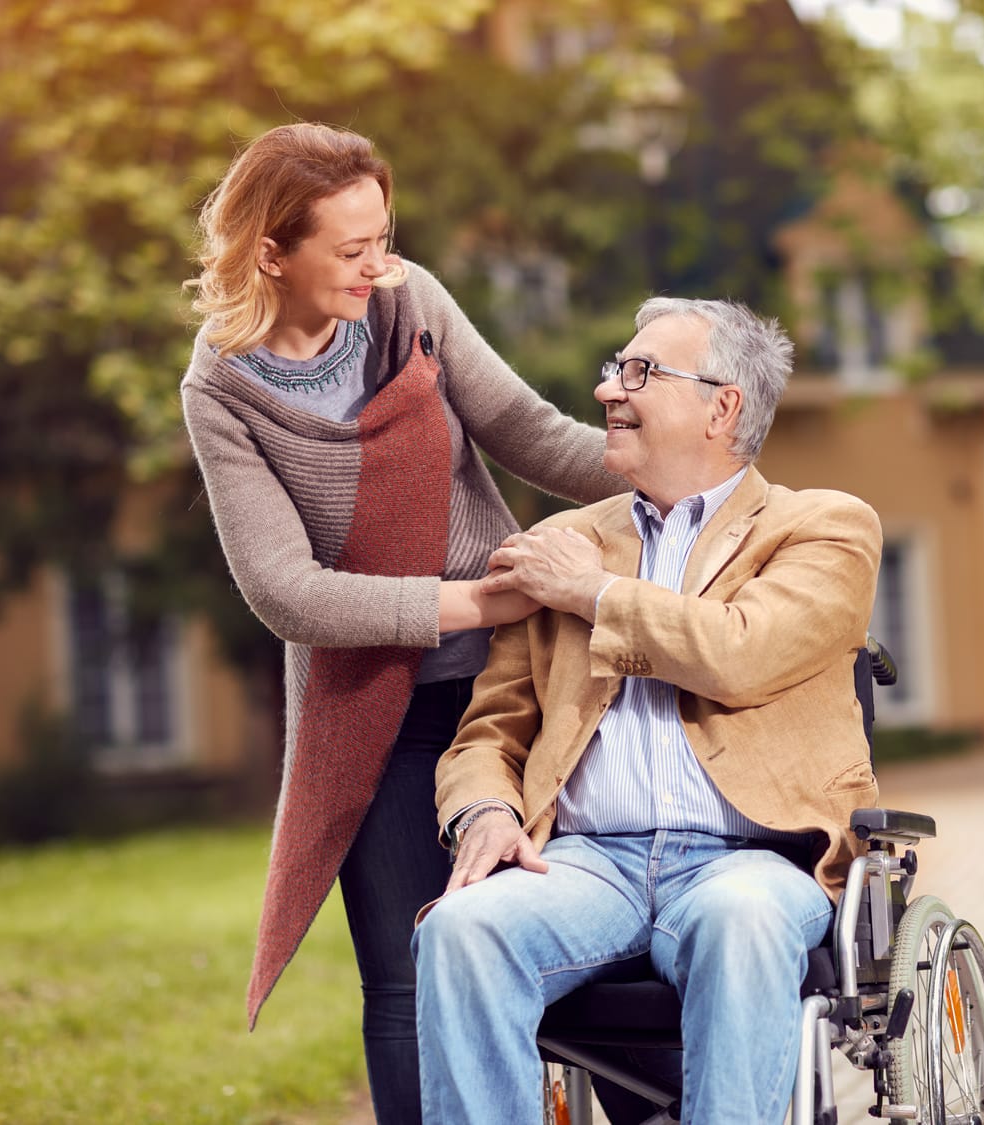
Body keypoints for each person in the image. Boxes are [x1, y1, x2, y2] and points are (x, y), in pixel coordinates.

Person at [179, 122, 626, 1125]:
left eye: (384, 236)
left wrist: (686, 468)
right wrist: (467, 602)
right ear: (270, 253)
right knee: (407, 970)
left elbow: (528, 434)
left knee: (599, 935)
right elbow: (282, 590)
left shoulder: (405, 302)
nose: (376, 265)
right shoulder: (222, 390)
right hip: (378, 709)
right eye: (350, 249)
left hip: (519, 683)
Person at [412, 297, 883, 1125]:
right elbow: (491, 730)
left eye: (638, 373)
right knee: (460, 930)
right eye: (611, 370)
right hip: (589, 862)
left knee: (739, 920)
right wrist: (484, 809)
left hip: (751, 858)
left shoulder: (824, 529)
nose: (607, 392)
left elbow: (740, 652)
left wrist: (592, 594)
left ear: (722, 404)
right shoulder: (570, 540)